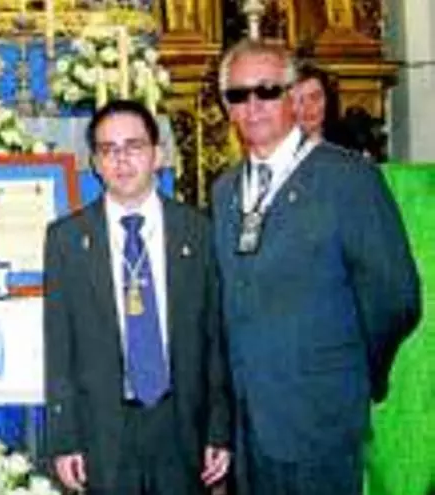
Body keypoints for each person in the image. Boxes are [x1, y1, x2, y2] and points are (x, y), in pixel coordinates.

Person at [212, 39, 421, 495]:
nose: (253, 106)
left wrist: (350, 370)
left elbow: (396, 297)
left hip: (320, 418)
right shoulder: (225, 190)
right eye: (238, 94)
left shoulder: (349, 179)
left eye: (267, 91)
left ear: (292, 96)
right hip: (249, 427)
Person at [44, 99, 232, 495]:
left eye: (134, 146)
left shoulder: (198, 231)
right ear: (95, 163)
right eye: (108, 149)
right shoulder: (66, 239)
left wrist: (219, 427)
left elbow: (216, 339)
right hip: (104, 429)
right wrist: (64, 438)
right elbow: (60, 347)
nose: (121, 160)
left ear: (157, 155)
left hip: (182, 423)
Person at [292, 62, 341, 144]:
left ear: (327, 100)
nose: (308, 107)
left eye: (314, 97)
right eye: (300, 99)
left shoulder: (343, 145)